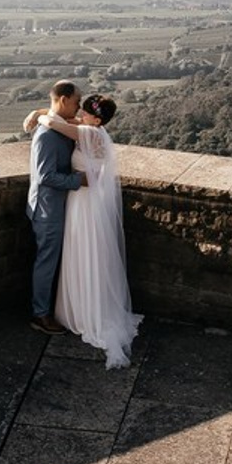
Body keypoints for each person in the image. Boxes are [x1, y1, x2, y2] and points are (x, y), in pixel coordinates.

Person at [24, 92, 142, 368]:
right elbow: (62, 117)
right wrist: (41, 111)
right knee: (77, 254)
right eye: (79, 106)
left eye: (85, 110)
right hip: (79, 201)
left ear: (96, 118)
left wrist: (38, 115)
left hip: (82, 203)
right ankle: (71, 309)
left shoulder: (90, 134)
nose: (79, 113)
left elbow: (55, 122)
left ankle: (78, 312)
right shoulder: (90, 128)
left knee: (81, 253)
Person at [26, 80, 86, 335]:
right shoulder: (48, 136)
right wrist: (78, 180)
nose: (79, 107)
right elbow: (45, 176)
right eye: (76, 102)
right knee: (46, 261)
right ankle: (40, 315)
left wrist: (39, 112)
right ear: (63, 100)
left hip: (55, 207)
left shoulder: (58, 125)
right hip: (47, 210)